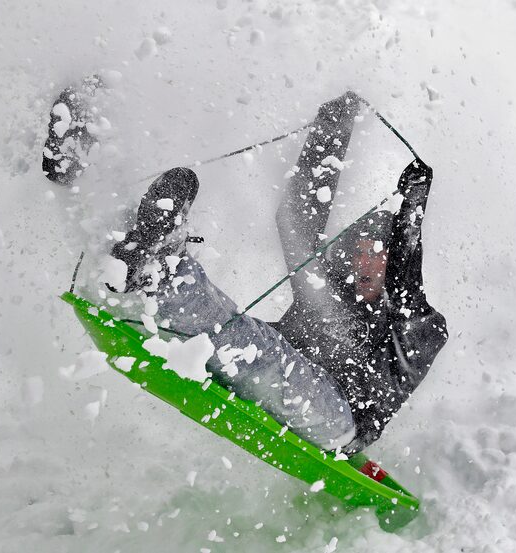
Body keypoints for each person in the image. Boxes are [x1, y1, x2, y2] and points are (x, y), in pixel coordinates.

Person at [44, 88, 448, 454]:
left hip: (340, 419)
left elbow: (404, 280)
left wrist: (412, 209)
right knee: (240, 329)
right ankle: (87, 178)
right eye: (358, 250)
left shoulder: (420, 326)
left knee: (253, 347)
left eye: (377, 252)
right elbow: (296, 218)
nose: (364, 260)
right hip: (277, 370)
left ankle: (161, 272)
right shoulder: (327, 292)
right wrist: (332, 129)